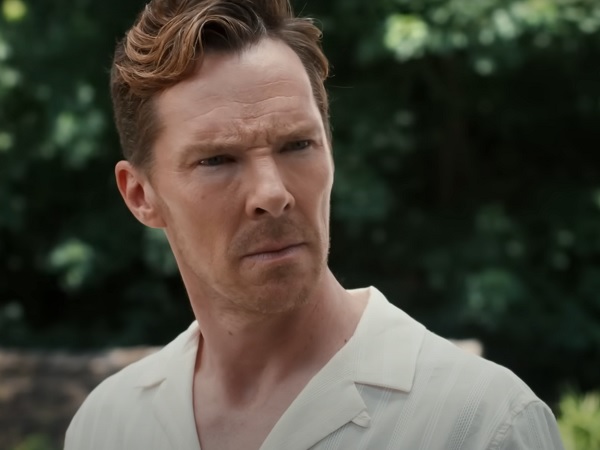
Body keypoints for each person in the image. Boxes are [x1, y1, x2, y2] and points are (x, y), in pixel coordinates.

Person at [64, 0, 565, 448]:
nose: (273, 194)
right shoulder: (108, 427)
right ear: (140, 195)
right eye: (217, 160)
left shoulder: (484, 424)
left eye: (298, 145)